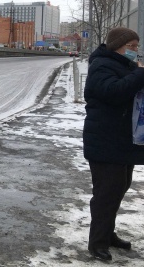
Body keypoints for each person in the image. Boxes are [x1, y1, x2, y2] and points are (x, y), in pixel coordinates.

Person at [83, 27, 144, 261]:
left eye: (137, 47)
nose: (135, 51)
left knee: (118, 189)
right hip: (105, 141)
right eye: (132, 47)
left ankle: (107, 234)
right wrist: (140, 75)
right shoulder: (102, 65)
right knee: (106, 194)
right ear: (117, 45)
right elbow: (114, 92)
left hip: (122, 141)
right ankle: (97, 243)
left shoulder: (125, 66)